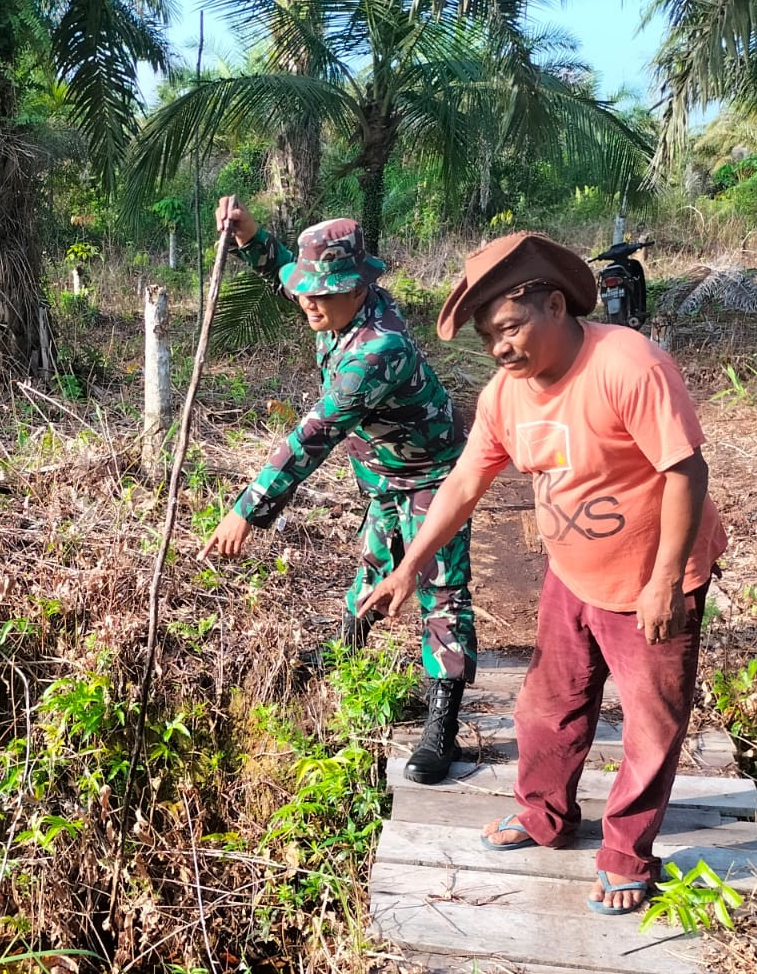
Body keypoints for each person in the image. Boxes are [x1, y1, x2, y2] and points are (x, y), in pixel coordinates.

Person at [360, 231, 727, 916]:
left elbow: (685, 470)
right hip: (572, 573)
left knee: (650, 725)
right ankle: (543, 814)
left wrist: (665, 581)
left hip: (653, 579)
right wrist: (409, 567)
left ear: (554, 304)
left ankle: (626, 852)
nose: (501, 348)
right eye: (488, 338)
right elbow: (466, 480)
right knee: (545, 708)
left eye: (509, 328)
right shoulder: (507, 395)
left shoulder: (629, 366)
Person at [199, 195, 477, 783]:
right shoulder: (339, 304)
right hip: (381, 468)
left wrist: (248, 510)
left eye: (322, 294)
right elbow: (287, 278)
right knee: (376, 559)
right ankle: (347, 647)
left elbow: (314, 434)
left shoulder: (379, 349)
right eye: (308, 291)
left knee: (440, 586)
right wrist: (252, 236)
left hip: (432, 473)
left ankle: (443, 720)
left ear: (357, 289)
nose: (308, 302)